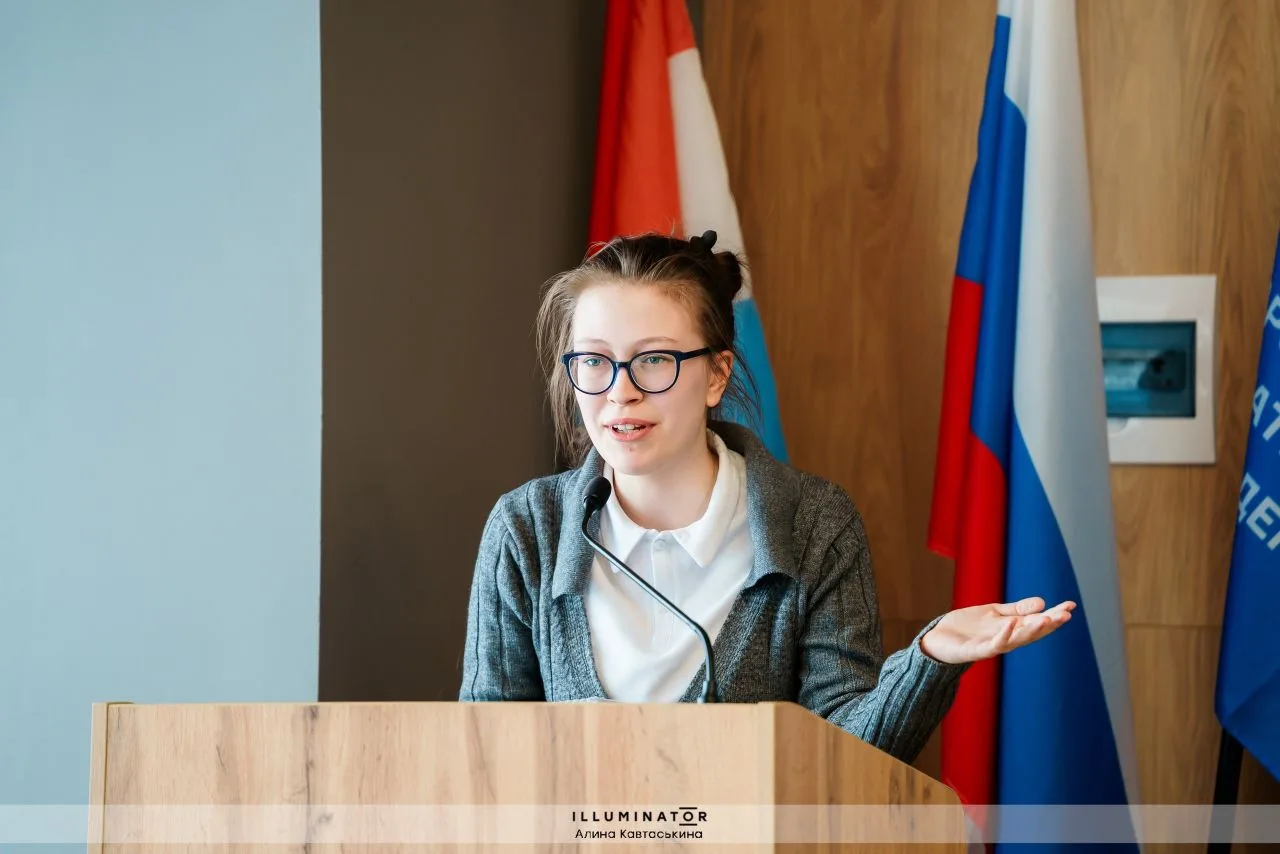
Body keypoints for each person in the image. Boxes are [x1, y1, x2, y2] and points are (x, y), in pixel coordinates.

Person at [459, 230, 1074, 764]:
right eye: (594, 362)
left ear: (717, 374)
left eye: (653, 361)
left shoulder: (815, 523)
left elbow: (841, 755)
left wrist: (931, 659)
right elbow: (485, 759)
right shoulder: (527, 528)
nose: (620, 392)